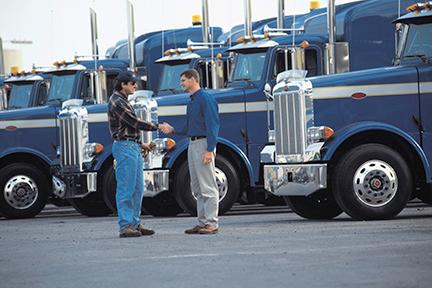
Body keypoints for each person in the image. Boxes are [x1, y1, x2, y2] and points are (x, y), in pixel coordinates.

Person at [159, 69, 220, 234]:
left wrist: (210, 149)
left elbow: (213, 125)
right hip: (193, 144)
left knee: (208, 185)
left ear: (193, 79)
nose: (181, 83)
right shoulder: (192, 100)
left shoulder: (205, 99)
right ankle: (202, 222)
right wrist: (172, 130)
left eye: (184, 80)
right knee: (197, 187)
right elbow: (189, 126)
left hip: (202, 144)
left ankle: (212, 223)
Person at [108, 71, 158, 238]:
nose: (135, 86)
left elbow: (127, 128)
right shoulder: (116, 101)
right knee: (126, 188)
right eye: (132, 83)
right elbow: (133, 122)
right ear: (123, 84)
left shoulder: (122, 100)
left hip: (132, 147)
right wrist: (157, 126)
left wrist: (141, 143)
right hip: (125, 148)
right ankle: (125, 226)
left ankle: (135, 223)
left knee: (137, 188)